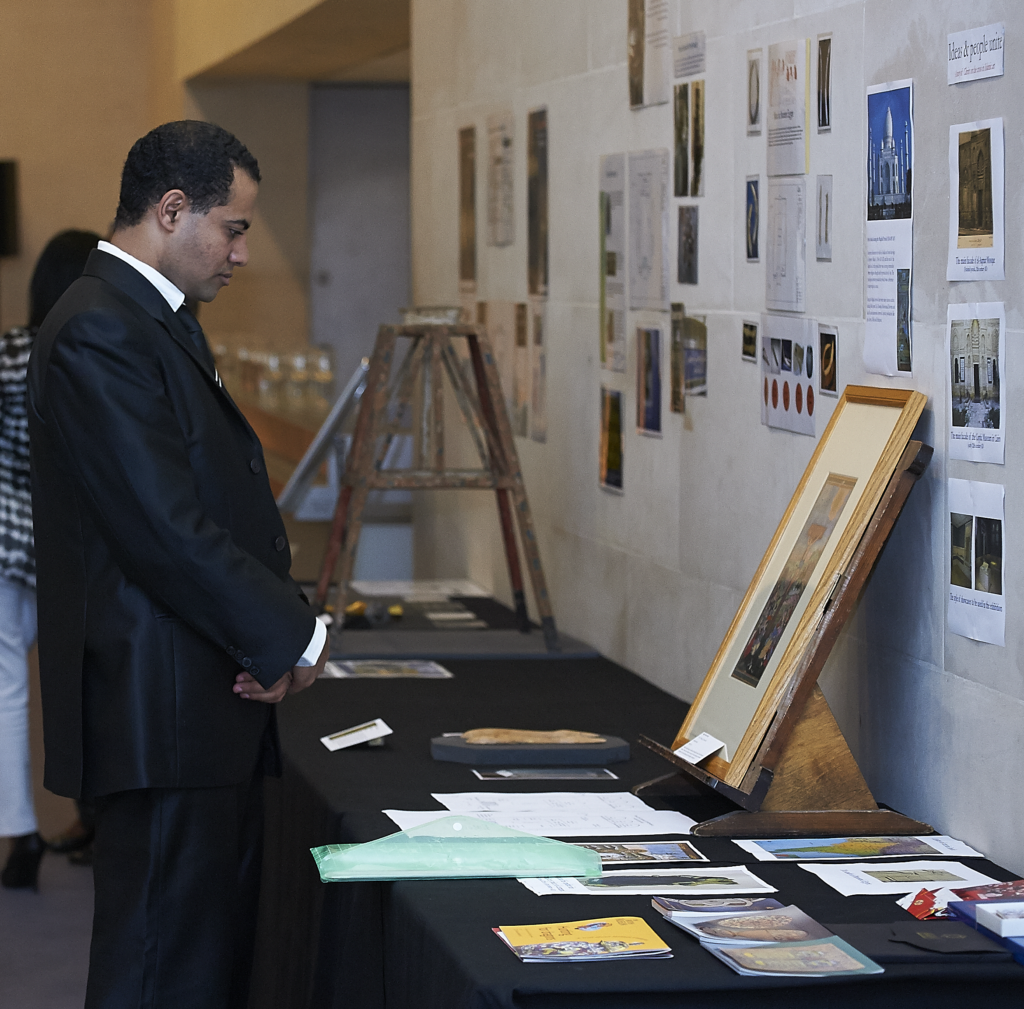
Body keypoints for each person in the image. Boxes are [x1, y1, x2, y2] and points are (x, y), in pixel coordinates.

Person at [28, 121, 328, 1008]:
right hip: (158, 705)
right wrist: (293, 633)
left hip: (191, 699)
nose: (241, 251)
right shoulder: (99, 327)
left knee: (199, 960)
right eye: (233, 227)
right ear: (170, 210)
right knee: (161, 963)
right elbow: (165, 527)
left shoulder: (150, 317)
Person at [0, 229, 100, 890]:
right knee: (88, 689)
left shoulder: (9, 351)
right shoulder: (96, 354)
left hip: (6, 541)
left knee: (7, 691)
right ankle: (101, 816)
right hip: (77, 550)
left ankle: (21, 832)